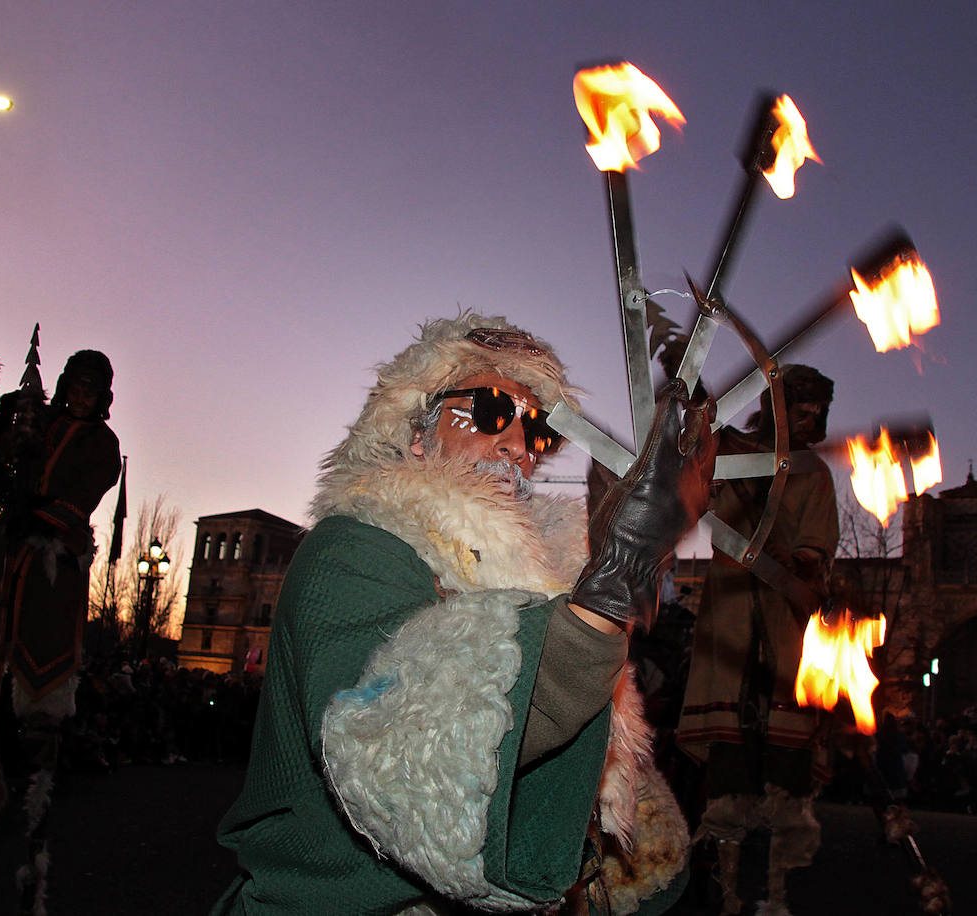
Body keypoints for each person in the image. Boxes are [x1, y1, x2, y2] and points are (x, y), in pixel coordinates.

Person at [213, 313, 717, 915]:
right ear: (417, 434)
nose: (517, 444)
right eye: (487, 411)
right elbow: (405, 749)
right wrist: (615, 577)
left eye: (535, 427)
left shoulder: (529, 574)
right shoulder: (356, 548)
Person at [0, 350, 121, 912]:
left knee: (44, 674)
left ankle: (33, 768)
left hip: (52, 563)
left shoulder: (102, 445)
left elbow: (80, 499)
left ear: (103, 394)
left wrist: (41, 512)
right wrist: (7, 424)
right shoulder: (44, 422)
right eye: (75, 384)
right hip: (7, 553)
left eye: (92, 387)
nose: (81, 394)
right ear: (63, 385)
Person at [675, 365, 838, 916]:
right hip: (729, 620)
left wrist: (801, 568)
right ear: (774, 405)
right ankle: (727, 896)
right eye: (800, 403)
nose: (810, 416)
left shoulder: (813, 471)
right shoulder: (734, 452)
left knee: (785, 771)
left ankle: (775, 895)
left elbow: (816, 546)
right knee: (729, 770)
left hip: (786, 627)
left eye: (818, 408)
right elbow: (700, 483)